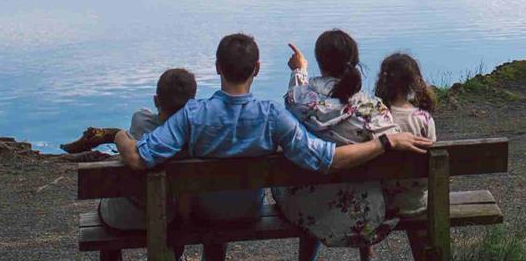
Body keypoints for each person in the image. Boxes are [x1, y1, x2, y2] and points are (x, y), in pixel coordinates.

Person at [111, 34, 431, 261]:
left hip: (204, 214)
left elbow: (139, 159)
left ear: (218, 68)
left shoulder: (193, 115)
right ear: (257, 69)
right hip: (248, 210)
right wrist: (386, 140)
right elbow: (327, 159)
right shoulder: (271, 115)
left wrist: (119, 137)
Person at [275, 30, 397, 253]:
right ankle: (366, 253)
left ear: (320, 62)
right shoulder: (372, 109)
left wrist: (299, 69)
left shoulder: (297, 100)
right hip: (364, 211)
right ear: (354, 61)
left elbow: (295, 92)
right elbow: (394, 140)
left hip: (305, 207)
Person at [79, 68, 199, 231]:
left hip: (122, 216)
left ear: (156, 100)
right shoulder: (194, 133)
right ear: (191, 104)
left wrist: (119, 135)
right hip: (168, 216)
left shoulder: (140, 119)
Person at [373, 53, 438, 217]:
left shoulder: (376, 118)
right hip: (417, 200)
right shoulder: (424, 119)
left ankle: (368, 244)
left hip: (383, 201)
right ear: (414, 82)